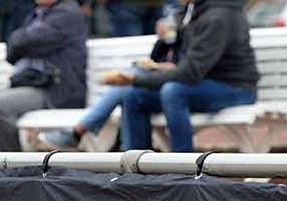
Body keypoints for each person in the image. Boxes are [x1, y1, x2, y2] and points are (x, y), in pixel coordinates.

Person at [110, 0, 259, 152]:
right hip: (202, 83)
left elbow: (190, 73)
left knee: (173, 91)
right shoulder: (194, 11)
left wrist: (137, 80)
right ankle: (137, 167)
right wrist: (166, 39)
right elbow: (171, 60)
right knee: (133, 95)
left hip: (236, 88)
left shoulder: (217, 16)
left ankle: (182, 166)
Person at [0, 0, 88, 151]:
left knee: (0, 106)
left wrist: (20, 41)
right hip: (29, 85)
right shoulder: (36, 14)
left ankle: (13, 165)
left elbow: (29, 41)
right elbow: (13, 49)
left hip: (55, 90)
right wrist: (20, 41)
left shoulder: (68, 12)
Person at [39, 15, 182, 149]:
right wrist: (163, 40)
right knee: (129, 89)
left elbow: (187, 68)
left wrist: (162, 67)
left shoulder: (195, 20)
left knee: (129, 85)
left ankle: (78, 131)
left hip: (180, 88)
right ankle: (82, 134)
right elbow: (154, 59)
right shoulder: (180, 17)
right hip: (157, 86)